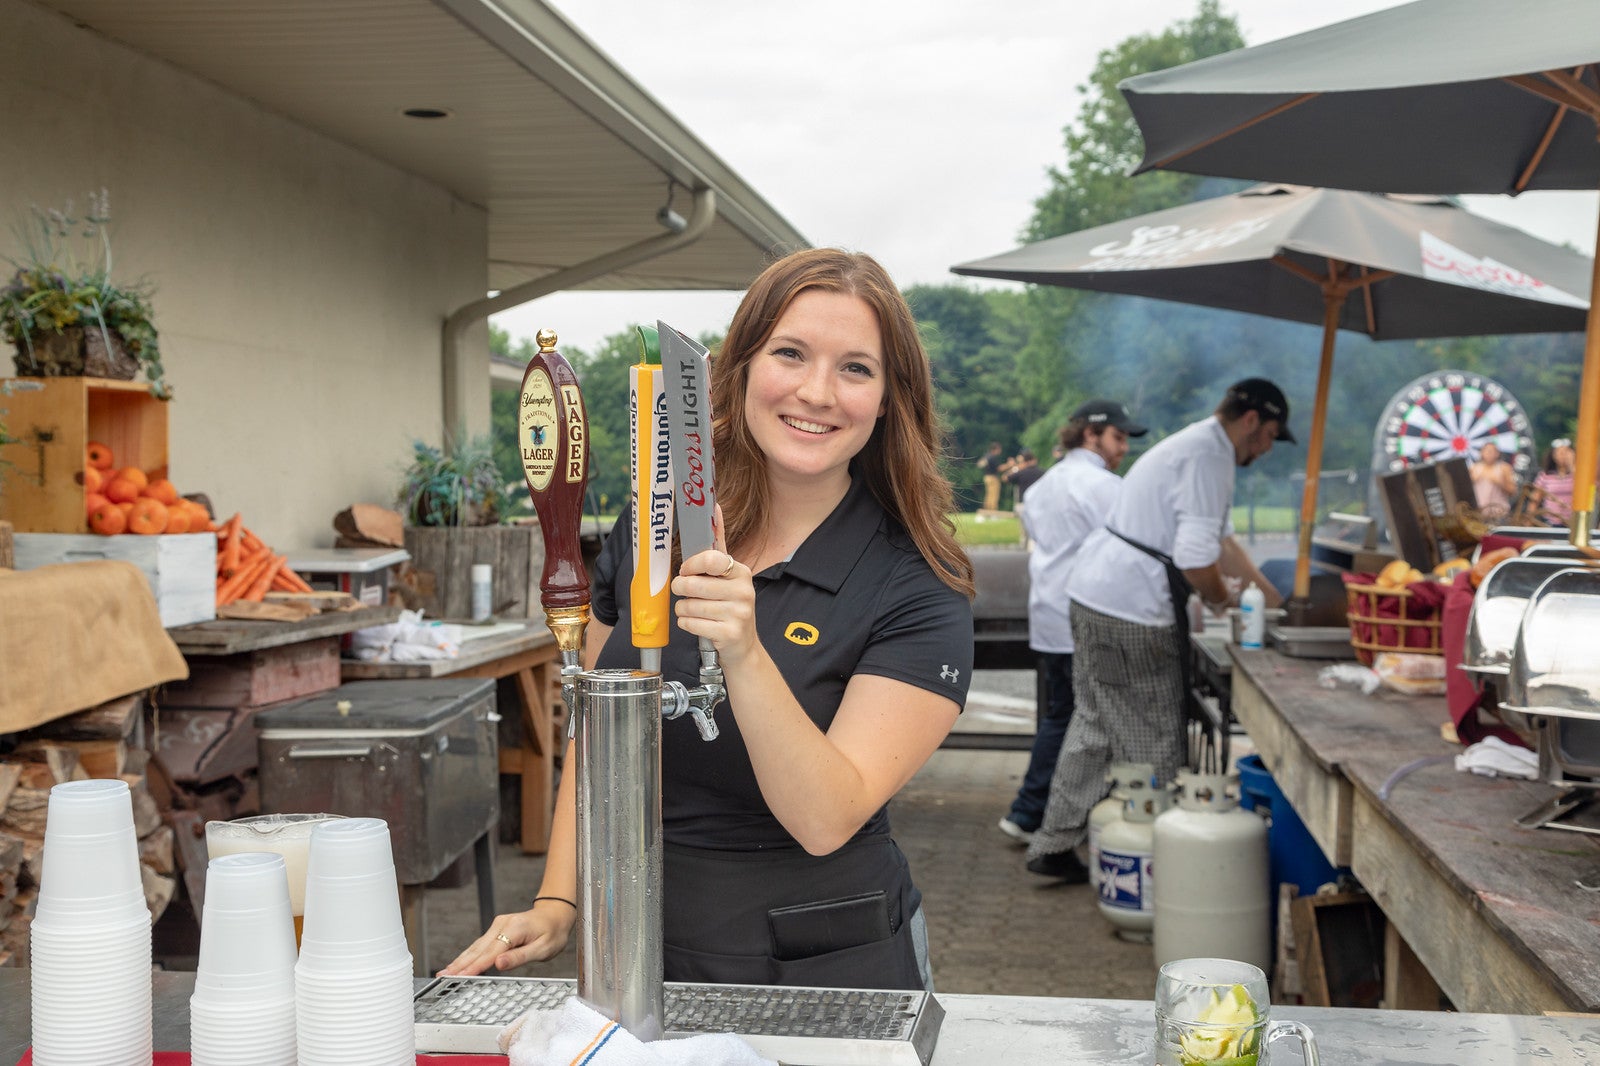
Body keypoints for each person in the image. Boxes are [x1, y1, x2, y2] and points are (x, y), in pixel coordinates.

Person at [443, 249, 975, 991]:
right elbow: (603, 733)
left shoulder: (917, 583)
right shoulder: (654, 523)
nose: (817, 391)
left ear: (889, 399)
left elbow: (825, 818)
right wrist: (560, 902)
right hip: (642, 941)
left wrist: (746, 653)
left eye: (856, 368)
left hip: (825, 964)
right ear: (744, 366)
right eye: (790, 353)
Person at [1025, 379, 1290, 881]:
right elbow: (1196, 558)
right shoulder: (1210, 457)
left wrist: (1273, 604)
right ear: (1251, 420)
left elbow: (1221, 541)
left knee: (1094, 723)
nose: (1269, 447)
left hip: (1093, 595)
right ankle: (1163, 878)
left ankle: (1053, 843)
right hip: (1131, 609)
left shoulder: (1196, 446)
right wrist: (1222, 600)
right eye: (1271, 434)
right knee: (1156, 737)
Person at [997, 401, 1146, 846]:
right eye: (1118, 438)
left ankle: (1031, 812)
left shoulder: (1045, 483)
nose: (1123, 449)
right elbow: (1130, 551)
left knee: (1062, 715)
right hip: (1087, 616)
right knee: (1088, 724)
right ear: (1091, 435)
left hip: (1048, 613)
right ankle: (1051, 817)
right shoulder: (1104, 486)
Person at [1469, 440, 1517, 519]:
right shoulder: (1474, 468)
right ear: (1482, 453)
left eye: (1491, 451)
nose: (1489, 454)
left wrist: (1500, 483)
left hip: (1499, 512)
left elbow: (1513, 491)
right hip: (1478, 512)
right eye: (1486, 451)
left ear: (1497, 454)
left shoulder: (1504, 468)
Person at [1534, 437, 1575, 527]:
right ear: (1553, 455)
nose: (1563, 456)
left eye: (1566, 452)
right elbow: (1535, 498)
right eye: (1560, 453)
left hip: (1572, 522)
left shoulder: (1577, 474)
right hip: (1550, 521)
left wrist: (1572, 466)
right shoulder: (1545, 475)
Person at [978, 442, 1005, 513]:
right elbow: (999, 469)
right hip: (993, 478)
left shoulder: (987, 456)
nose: (1000, 451)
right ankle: (993, 512)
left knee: (988, 495)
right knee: (994, 495)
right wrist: (1009, 465)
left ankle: (986, 511)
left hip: (986, 477)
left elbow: (980, 464)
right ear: (996, 449)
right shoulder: (993, 457)